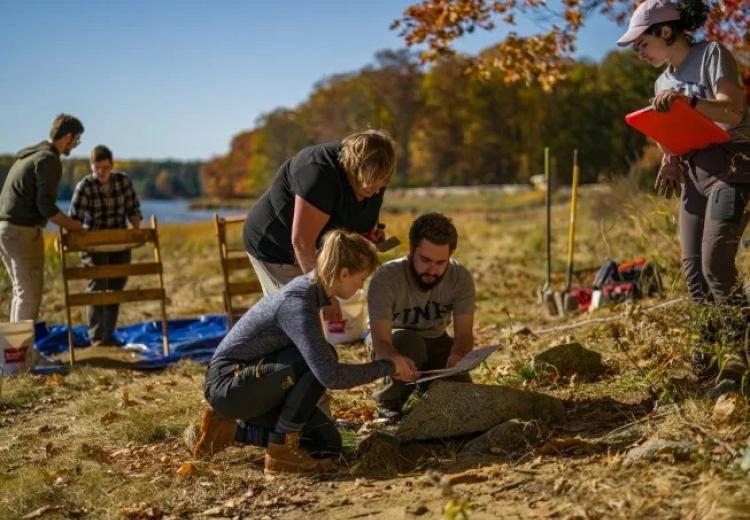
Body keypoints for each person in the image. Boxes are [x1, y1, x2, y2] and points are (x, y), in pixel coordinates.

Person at [193, 230, 416, 474]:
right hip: (229, 385)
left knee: (327, 445)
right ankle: (280, 454)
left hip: (259, 381)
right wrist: (389, 366)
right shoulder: (298, 303)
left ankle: (232, 431)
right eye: (360, 279)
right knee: (319, 361)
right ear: (343, 273)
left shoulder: (312, 294)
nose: (361, 287)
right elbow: (329, 376)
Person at [616, 0, 750, 379]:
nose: (639, 53)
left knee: (715, 263)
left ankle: (738, 352)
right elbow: (673, 133)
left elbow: (733, 112)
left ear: (665, 30)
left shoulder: (712, 55)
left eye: (641, 44)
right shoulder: (661, 82)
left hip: (732, 166)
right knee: (693, 269)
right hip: (693, 174)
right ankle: (706, 350)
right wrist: (669, 160)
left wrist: (688, 100)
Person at [242, 129, 395, 321]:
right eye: (369, 187)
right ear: (353, 169)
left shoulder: (377, 173)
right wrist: (324, 295)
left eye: (380, 187)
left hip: (314, 250)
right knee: (298, 315)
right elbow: (301, 242)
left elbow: (359, 214)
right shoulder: (317, 173)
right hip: (276, 246)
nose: (375, 192)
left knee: (314, 316)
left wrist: (371, 233)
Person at [367, 212, 476, 421]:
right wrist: (396, 359)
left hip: (436, 339)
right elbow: (381, 340)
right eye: (425, 260)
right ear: (411, 250)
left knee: (463, 396)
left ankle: (427, 388)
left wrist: (458, 355)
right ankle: (389, 401)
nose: (432, 270)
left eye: (440, 262)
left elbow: (464, 334)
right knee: (408, 341)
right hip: (394, 339)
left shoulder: (460, 277)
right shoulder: (386, 278)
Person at [0, 114, 84, 322]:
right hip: (21, 232)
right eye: (77, 140)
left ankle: (16, 352)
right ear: (68, 137)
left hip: (7, 229)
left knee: (22, 295)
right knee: (28, 297)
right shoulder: (49, 160)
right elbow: (45, 206)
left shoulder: (31, 154)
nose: (75, 145)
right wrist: (73, 225)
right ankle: (24, 353)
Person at [69, 145, 142, 346]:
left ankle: (108, 335)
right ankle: (96, 336)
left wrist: (136, 227)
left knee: (116, 287)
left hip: (119, 243)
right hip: (94, 244)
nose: (101, 172)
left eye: (105, 167)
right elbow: (75, 218)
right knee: (98, 286)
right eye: (97, 167)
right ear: (91, 166)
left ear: (111, 166)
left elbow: (133, 208)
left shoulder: (122, 181)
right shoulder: (85, 186)